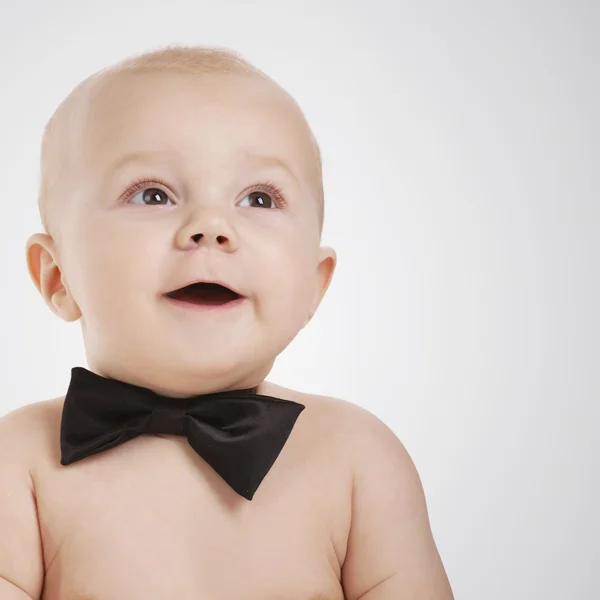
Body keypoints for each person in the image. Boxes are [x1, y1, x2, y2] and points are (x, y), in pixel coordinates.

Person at [0, 45, 454, 599]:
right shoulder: (20, 462)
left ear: (314, 285)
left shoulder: (357, 461)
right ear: (57, 277)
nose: (210, 227)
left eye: (259, 198)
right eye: (153, 194)